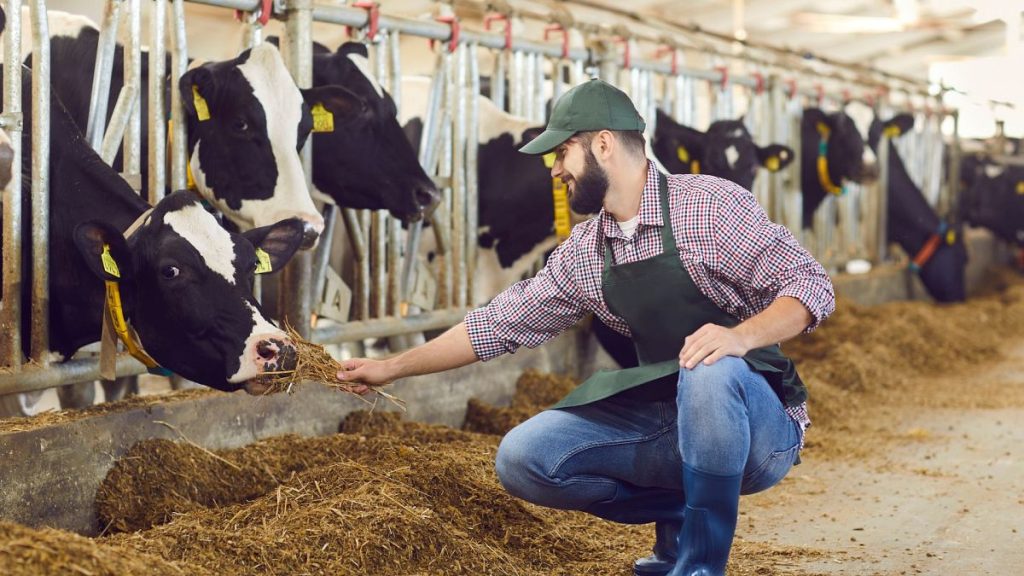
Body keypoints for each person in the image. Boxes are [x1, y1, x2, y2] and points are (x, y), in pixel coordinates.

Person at [338, 78, 835, 576]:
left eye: (562, 153)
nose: (554, 171)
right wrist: (392, 366)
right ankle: (676, 510)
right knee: (524, 458)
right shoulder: (585, 251)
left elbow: (812, 285)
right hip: (671, 417)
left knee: (710, 368)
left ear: (602, 144)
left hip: (760, 428)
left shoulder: (707, 207)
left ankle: (700, 565)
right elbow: (495, 324)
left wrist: (739, 337)